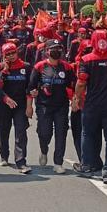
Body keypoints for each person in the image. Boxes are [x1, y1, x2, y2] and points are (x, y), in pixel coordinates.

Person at [74, 30, 107, 184]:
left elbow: (81, 83)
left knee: (87, 134)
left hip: (92, 104)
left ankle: (86, 165)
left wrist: (77, 98)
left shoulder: (86, 59)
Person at [28, 40, 74, 174]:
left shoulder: (67, 67)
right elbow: (31, 87)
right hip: (44, 106)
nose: (57, 51)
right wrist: (33, 95)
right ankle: (44, 150)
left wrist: (74, 98)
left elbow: (73, 85)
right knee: (44, 133)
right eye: (53, 49)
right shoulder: (39, 67)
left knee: (61, 134)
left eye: (59, 49)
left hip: (61, 106)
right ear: (47, 51)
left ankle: (58, 163)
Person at [0, 42, 33, 173]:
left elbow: (30, 88)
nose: (11, 56)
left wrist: (29, 106)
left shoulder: (26, 67)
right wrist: (4, 70)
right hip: (3, 105)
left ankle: (21, 162)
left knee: (21, 132)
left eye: (13, 53)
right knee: (3, 131)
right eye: (8, 54)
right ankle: (4, 155)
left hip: (20, 105)